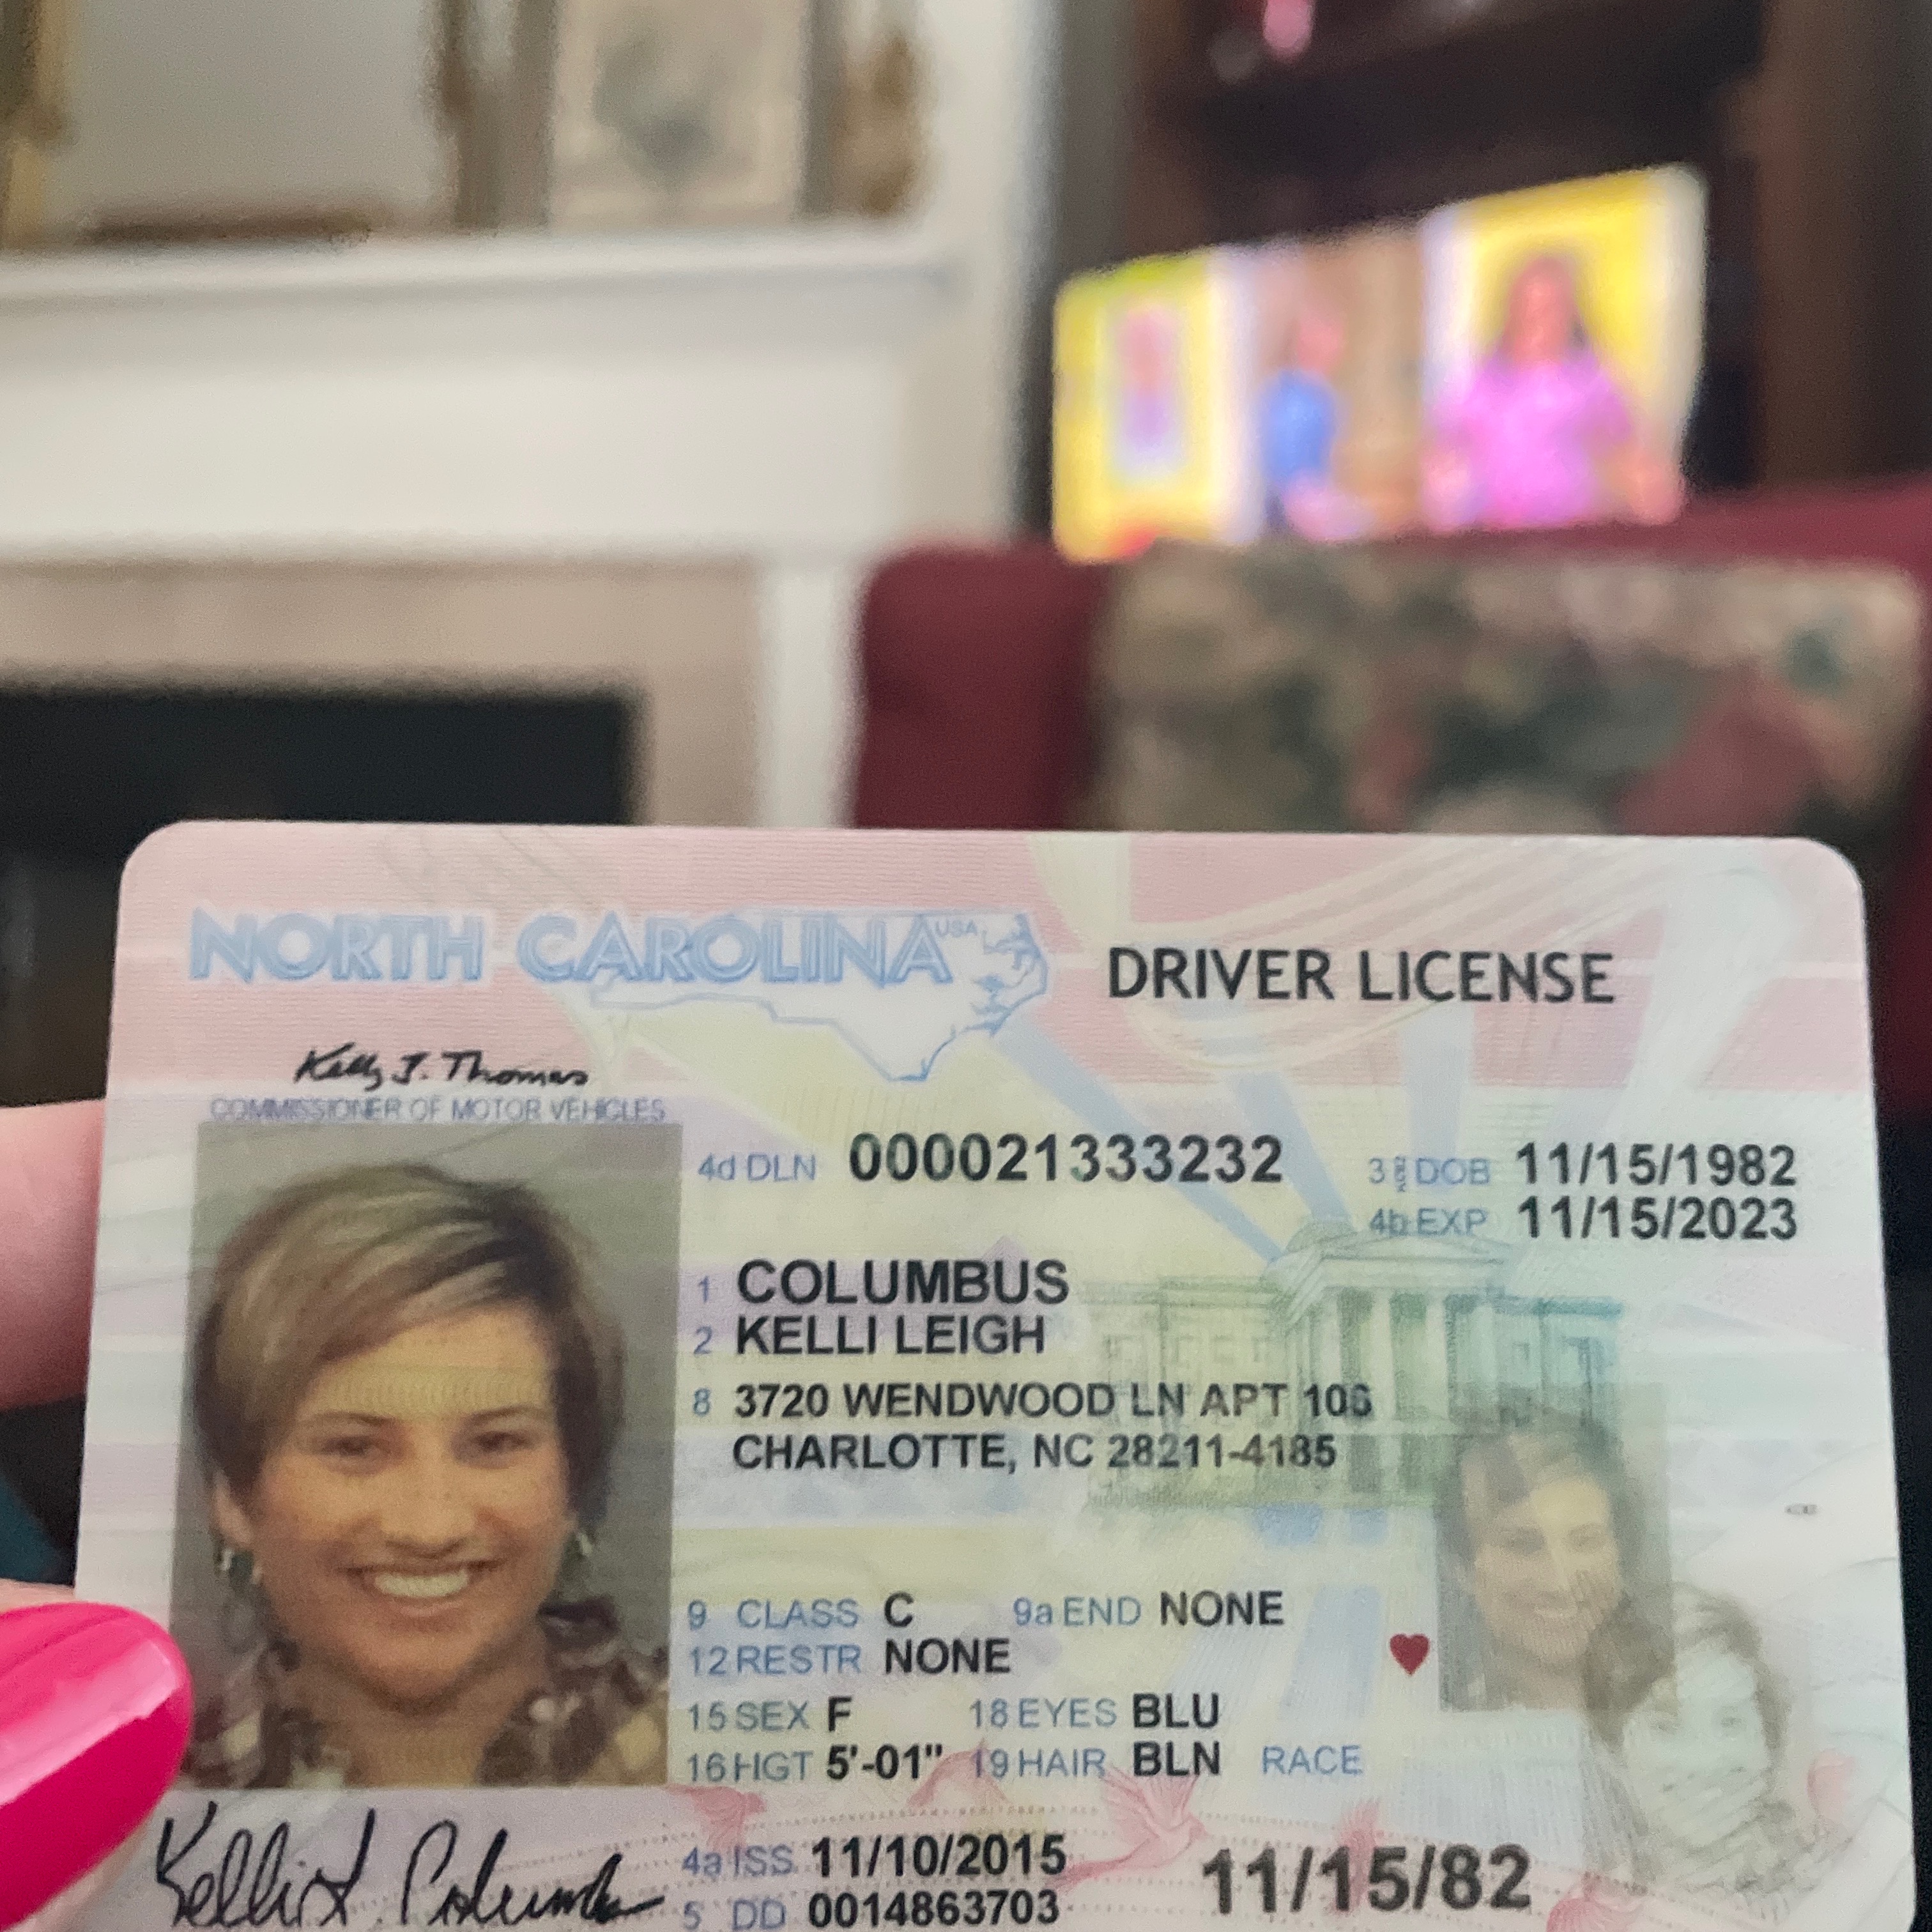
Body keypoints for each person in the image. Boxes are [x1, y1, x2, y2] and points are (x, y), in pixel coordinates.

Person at [186, 1162, 666, 1788]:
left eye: (494, 1443)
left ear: (574, 1484)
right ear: (234, 1496)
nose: (430, 1527)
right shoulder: (145, 1796)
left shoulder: (724, 1747)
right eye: (354, 1448)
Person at [1586, 1589, 1830, 1917]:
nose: (1705, 1760)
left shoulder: (1834, 1885)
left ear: (1768, 1743)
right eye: (1666, 1728)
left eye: (1731, 1723)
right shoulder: (1594, 1909)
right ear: (1613, 1754)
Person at [1423, 254, 1683, 533]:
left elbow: (1629, 450)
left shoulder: (1590, 379)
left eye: (1549, 308)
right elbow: (1444, 455)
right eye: (1528, 306)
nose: (1537, 319)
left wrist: (1651, 492)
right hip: (1495, 534)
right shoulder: (1479, 382)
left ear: (1570, 312)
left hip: (1571, 534)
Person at [1437, 1413, 1657, 1716]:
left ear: (1622, 1555)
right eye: (1523, 1545)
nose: (1560, 1583)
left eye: (1586, 1541)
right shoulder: (1438, 1718)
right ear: (1462, 1566)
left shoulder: (1688, 1701)